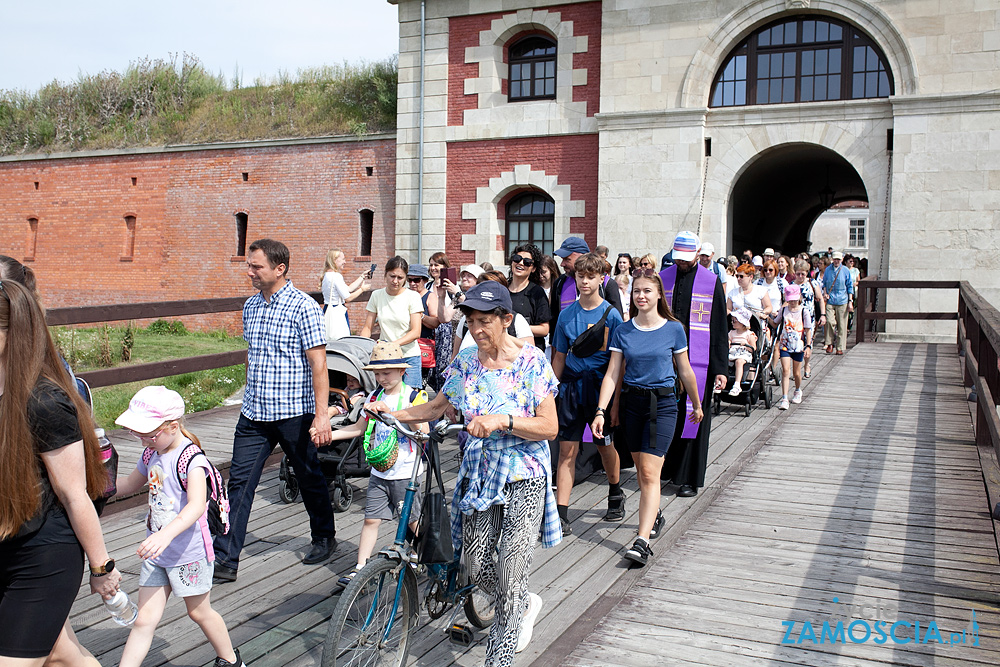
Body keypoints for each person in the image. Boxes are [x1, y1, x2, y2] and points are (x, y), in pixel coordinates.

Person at [373, 281, 560, 663]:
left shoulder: (532, 361)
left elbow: (550, 427)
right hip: (479, 473)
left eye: (485, 321)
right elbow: (436, 407)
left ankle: (501, 650)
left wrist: (503, 420)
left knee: (510, 567)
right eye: (471, 321)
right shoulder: (466, 361)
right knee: (472, 563)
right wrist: (393, 414)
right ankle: (522, 599)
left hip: (524, 474)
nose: (476, 330)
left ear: (507, 319)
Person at [0, 279, 121, 666]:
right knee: (60, 654)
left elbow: (74, 493)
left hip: (44, 554)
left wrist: (102, 569)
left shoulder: (46, 403)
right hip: (8, 538)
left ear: (12, 332)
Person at [213, 239, 337, 583]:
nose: (249, 271)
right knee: (238, 482)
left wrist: (321, 414)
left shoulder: (304, 308)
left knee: (309, 475)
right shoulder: (251, 306)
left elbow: (319, 364)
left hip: (294, 411)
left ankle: (324, 536)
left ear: (279, 269)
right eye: (250, 265)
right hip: (255, 411)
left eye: (257, 266)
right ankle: (226, 558)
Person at [113, 387, 246, 667]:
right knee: (144, 620)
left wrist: (165, 535)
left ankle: (231, 660)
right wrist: (94, 488)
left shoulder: (192, 460)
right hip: (157, 551)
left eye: (148, 434)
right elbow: (128, 484)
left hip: (188, 554)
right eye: (137, 434)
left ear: (173, 426)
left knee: (199, 612)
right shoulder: (152, 453)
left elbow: (196, 506)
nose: (142, 441)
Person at [591, 269, 702, 566]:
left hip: (663, 405)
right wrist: (601, 410)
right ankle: (655, 514)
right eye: (637, 291)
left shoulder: (673, 329)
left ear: (658, 295)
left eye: (647, 291)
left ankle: (641, 542)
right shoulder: (623, 330)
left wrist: (696, 402)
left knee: (651, 474)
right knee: (641, 471)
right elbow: (613, 373)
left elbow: (685, 369)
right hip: (632, 404)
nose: (641, 296)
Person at [326, 342, 428, 587]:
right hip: (380, 471)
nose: (381, 378)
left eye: (387, 373)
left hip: (406, 471)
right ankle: (361, 568)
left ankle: (427, 554)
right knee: (371, 519)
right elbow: (358, 429)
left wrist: (391, 412)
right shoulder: (372, 397)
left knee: (412, 521)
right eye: (377, 374)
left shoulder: (414, 396)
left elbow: (423, 431)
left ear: (402, 372)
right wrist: (330, 434)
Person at [551, 253, 625, 535]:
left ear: (601, 279)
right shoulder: (566, 315)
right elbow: (559, 357)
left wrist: (614, 403)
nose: (584, 281)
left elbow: (618, 364)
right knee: (567, 451)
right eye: (580, 276)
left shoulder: (613, 315)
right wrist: (549, 392)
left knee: (605, 446)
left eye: (590, 276)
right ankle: (561, 513)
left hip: (598, 389)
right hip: (570, 389)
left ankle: (615, 490)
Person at [658, 231, 728, 498]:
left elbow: (720, 327)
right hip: (666, 360)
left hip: (700, 362)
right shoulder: (663, 279)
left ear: (698, 256)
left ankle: (688, 477)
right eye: (679, 259)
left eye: (687, 259)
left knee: (694, 416)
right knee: (667, 414)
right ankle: (667, 469)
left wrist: (721, 368)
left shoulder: (711, 282)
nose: (682, 264)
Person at [360, 256, 424, 388]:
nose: (395, 281)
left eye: (400, 278)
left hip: (408, 355)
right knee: (385, 399)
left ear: (405, 278)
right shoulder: (377, 295)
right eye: (392, 276)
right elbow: (368, 327)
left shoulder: (413, 296)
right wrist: (361, 348)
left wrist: (392, 345)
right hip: (385, 358)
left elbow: (416, 331)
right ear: (385, 275)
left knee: (410, 401)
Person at [550, 237, 624, 326]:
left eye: (567, 259)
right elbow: (554, 322)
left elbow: (616, 323)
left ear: (582, 257)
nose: (562, 264)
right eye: (580, 277)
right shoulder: (559, 283)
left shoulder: (607, 284)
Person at [772, 284, 813, 410]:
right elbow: (775, 323)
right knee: (785, 370)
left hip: (798, 345)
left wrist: (808, 346)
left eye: (794, 299)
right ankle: (784, 398)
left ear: (799, 297)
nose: (792, 302)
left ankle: (797, 389)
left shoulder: (804, 311)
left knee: (796, 372)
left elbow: (807, 330)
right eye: (790, 299)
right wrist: (766, 317)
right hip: (785, 344)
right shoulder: (784, 310)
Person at [507, 243, 551, 351]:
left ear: (533, 268)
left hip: (528, 353)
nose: (521, 263)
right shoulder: (501, 289)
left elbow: (544, 329)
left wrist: (515, 326)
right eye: (517, 259)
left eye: (527, 262)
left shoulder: (537, 292)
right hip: (504, 352)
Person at [320, 249, 369, 343]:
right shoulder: (336, 276)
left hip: (328, 309)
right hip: (337, 311)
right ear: (335, 260)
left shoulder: (327, 275)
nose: (345, 262)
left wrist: (362, 276)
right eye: (343, 259)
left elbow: (349, 289)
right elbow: (348, 297)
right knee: (341, 341)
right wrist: (362, 289)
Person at [792, 259, 825, 378]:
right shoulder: (792, 285)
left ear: (807, 273)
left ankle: (806, 364)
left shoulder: (813, 283)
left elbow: (820, 299)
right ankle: (797, 367)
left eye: (803, 274)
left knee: (808, 342)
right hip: (795, 318)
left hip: (809, 317)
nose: (800, 276)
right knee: (795, 342)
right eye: (798, 274)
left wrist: (823, 314)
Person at [427, 252, 455, 391]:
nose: (433, 268)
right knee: (429, 367)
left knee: (442, 367)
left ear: (444, 266)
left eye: (436, 265)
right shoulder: (427, 286)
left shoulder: (450, 286)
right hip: (429, 328)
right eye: (431, 265)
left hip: (444, 331)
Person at [822, 251, 854, 355]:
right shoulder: (828, 270)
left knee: (842, 325)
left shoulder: (845, 270)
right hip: (831, 299)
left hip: (842, 299)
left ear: (841, 260)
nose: (836, 261)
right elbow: (825, 284)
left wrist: (850, 301)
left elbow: (849, 286)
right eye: (835, 259)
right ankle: (830, 343)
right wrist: (825, 293)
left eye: (838, 259)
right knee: (830, 322)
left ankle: (840, 346)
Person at [727, 308, 758, 396]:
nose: (732, 322)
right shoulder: (732, 333)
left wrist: (745, 345)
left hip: (744, 354)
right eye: (732, 321)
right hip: (732, 353)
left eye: (734, 321)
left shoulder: (749, 334)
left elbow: (753, 348)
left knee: (739, 361)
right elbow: (728, 340)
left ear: (742, 323)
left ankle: (737, 384)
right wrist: (729, 343)